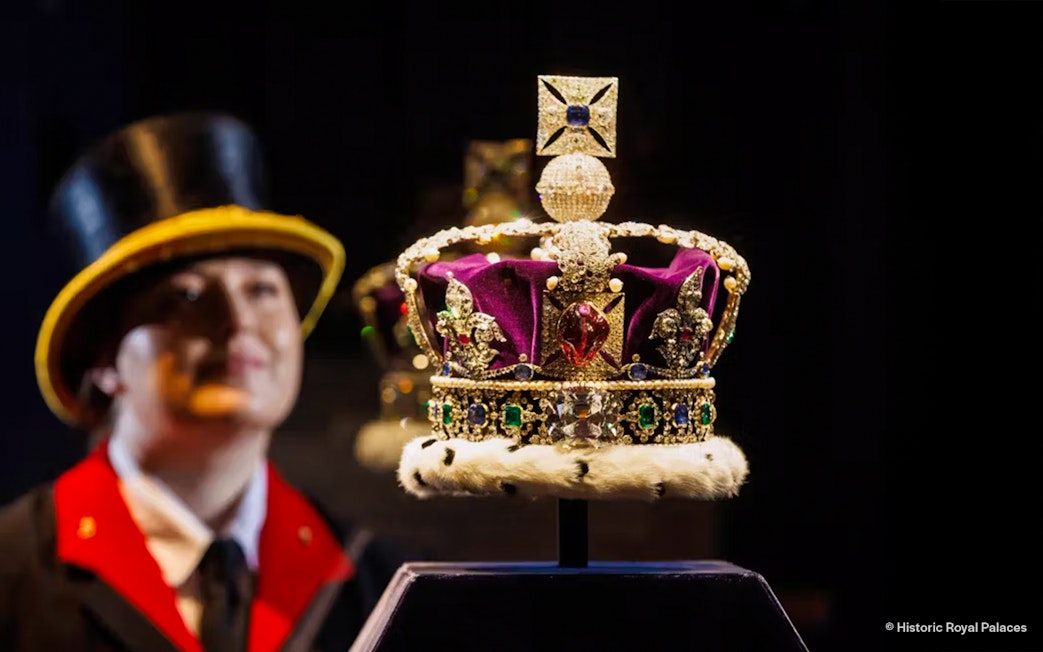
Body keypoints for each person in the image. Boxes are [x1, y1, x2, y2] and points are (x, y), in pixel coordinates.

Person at [0, 112, 406, 652]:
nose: (237, 323)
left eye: (262, 289)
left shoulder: (370, 579)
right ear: (102, 360)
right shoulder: (12, 572)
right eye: (186, 297)